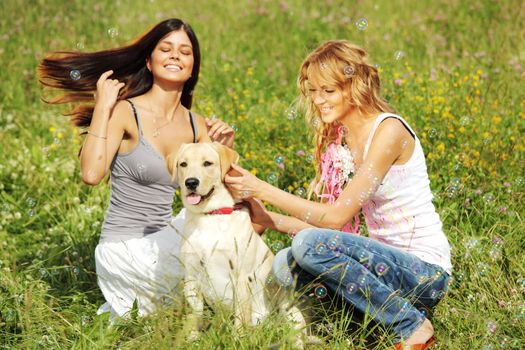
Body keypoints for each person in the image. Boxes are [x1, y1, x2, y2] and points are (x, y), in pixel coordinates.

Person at [225, 40, 451, 349]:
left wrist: (261, 188)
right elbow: (330, 231)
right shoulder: (341, 140)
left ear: (354, 86)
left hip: (422, 273)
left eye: (328, 91)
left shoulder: (389, 131)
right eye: (313, 91)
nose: (318, 100)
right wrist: (269, 218)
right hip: (383, 269)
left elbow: (335, 218)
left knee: (306, 245)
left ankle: (411, 325)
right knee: (285, 264)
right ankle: (369, 329)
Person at [38, 18, 235, 321]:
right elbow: (91, 175)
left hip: (165, 239)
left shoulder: (197, 126)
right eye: (166, 49)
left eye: (185, 52)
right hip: (124, 249)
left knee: (238, 215)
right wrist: (103, 107)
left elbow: (222, 200)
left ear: (193, 66)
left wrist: (224, 151)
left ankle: (224, 300)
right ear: (149, 60)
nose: (175, 56)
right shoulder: (124, 111)